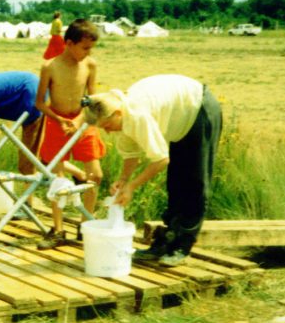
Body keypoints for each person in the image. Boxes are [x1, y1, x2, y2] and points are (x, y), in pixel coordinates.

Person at [82, 74, 222, 267]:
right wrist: (123, 179)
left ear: (117, 113)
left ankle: (182, 245)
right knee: (176, 181)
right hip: (180, 118)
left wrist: (131, 187)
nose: (107, 132)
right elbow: (131, 153)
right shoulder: (122, 116)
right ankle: (166, 240)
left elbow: (161, 159)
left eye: (107, 126)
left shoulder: (137, 114)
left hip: (199, 108)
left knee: (195, 181)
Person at [34, 18, 106, 250]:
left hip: (83, 123)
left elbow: (92, 99)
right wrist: (60, 120)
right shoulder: (50, 66)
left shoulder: (90, 65)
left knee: (95, 175)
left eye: (91, 49)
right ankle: (58, 229)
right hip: (57, 124)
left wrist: (78, 120)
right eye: (84, 48)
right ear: (69, 43)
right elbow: (40, 103)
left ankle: (86, 225)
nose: (87, 53)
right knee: (59, 179)